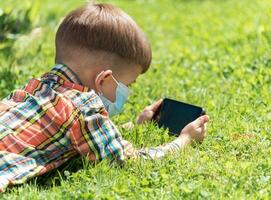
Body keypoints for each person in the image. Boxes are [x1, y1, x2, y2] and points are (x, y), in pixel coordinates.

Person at [0, 3, 209, 192]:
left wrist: (134, 125)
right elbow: (128, 160)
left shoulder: (38, 87)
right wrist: (185, 139)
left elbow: (85, 136)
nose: (126, 92)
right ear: (104, 79)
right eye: (127, 85)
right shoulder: (84, 107)